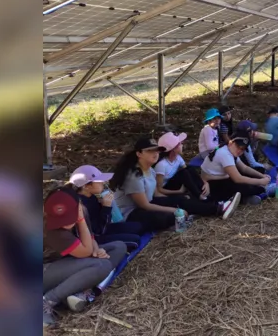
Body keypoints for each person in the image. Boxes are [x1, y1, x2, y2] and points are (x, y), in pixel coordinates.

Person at [110, 138, 239, 233]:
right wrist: (173, 209)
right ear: (139, 154)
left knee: (181, 201)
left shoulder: (150, 169)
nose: (155, 153)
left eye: (157, 150)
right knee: (168, 217)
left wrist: (175, 200)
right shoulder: (134, 175)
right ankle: (206, 209)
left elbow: (156, 194)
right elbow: (144, 205)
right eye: (150, 151)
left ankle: (218, 208)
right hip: (131, 213)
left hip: (147, 204)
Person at [43, 188, 127, 327]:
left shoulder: (83, 210)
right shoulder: (52, 230)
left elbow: (91, 239)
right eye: (60, 219)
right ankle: (47, 300)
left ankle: (80, 290)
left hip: (70, 262)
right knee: (102, 265)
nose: (64, 222)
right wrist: (80, 220)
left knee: (119, 247)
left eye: (69, 216)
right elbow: (84, 252)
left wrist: (97, 250)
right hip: (45, 271)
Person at [69, 165, 144, 248]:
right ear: (86, 186)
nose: (103, 183)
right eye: (99, 181)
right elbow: (99, 231)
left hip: (104, 229)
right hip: (95, 238)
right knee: (135, 240)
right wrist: (106, 207)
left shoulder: (92, 196)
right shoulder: (82, 206)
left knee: (138, 227)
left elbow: (105, 223)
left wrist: (103, 205)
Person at [200, 135, 271, 205]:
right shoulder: (225, 154)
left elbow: (244, 168)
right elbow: (237, 179)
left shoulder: (228, 149)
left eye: (242, 149)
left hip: (222, 177)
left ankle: (246, 196)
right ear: (231, 142)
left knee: (258, 170)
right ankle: (255, 194)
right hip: (213, 184)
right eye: (238, 147)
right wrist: (260, 181)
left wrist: (261, 176)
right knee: (247, 187)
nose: (240, 151)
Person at [155, 132, 210, 200]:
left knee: (190, 169)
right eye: (180, 144)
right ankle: (199, 195)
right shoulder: (162, 165)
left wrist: (205, 183)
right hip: (167, 189)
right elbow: (160, 189)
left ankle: (203, 191)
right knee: (183, 173)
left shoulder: (178, 158)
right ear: (173, 149)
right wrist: (178, 192)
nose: (182, 145)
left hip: (175, 184)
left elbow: (189, 172)